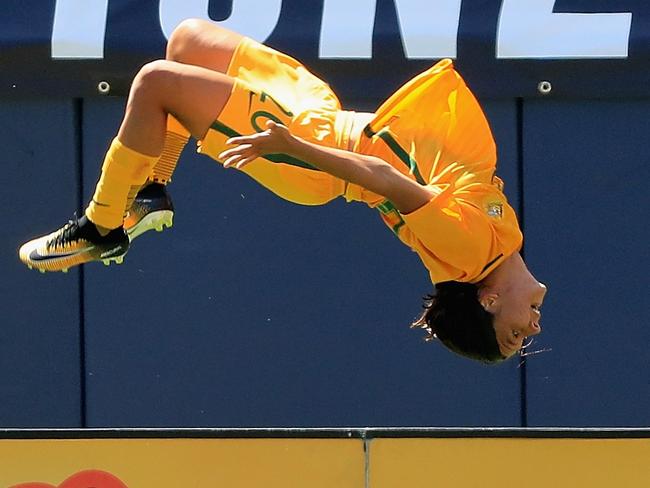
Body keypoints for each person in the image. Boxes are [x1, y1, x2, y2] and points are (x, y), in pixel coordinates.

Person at [18, 19, 547, 363]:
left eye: (514, 335)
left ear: (491, 299)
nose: (532, 329)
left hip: (312, 151)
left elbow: (384, 178)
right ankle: (152, 189)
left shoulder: (471, 253)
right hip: (322, 120)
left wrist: (292, 146)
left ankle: (102, 224)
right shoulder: (501, 242)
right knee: (187, 43)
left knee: (156, 82)